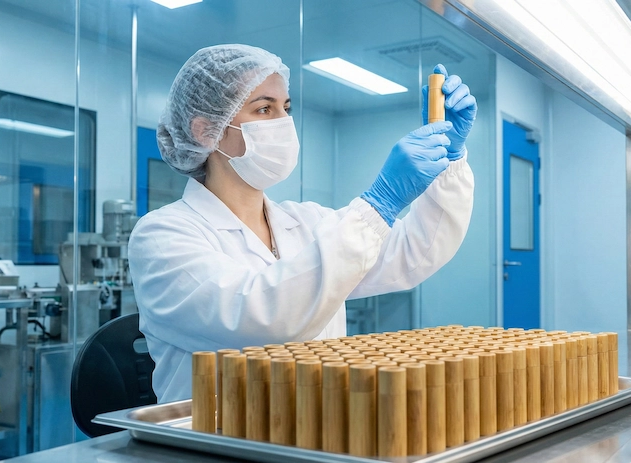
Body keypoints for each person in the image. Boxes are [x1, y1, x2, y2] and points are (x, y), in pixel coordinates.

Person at [129, 44, 477, 402]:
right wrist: (378, 204)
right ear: (206, 131)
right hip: (215, 442)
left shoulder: (306, 221)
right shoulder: (161, 237)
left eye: (286, 108)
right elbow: (260, 320)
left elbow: (415, 252)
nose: (283, 122)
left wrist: (451, 157)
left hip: (317, 432)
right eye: (264, 108)